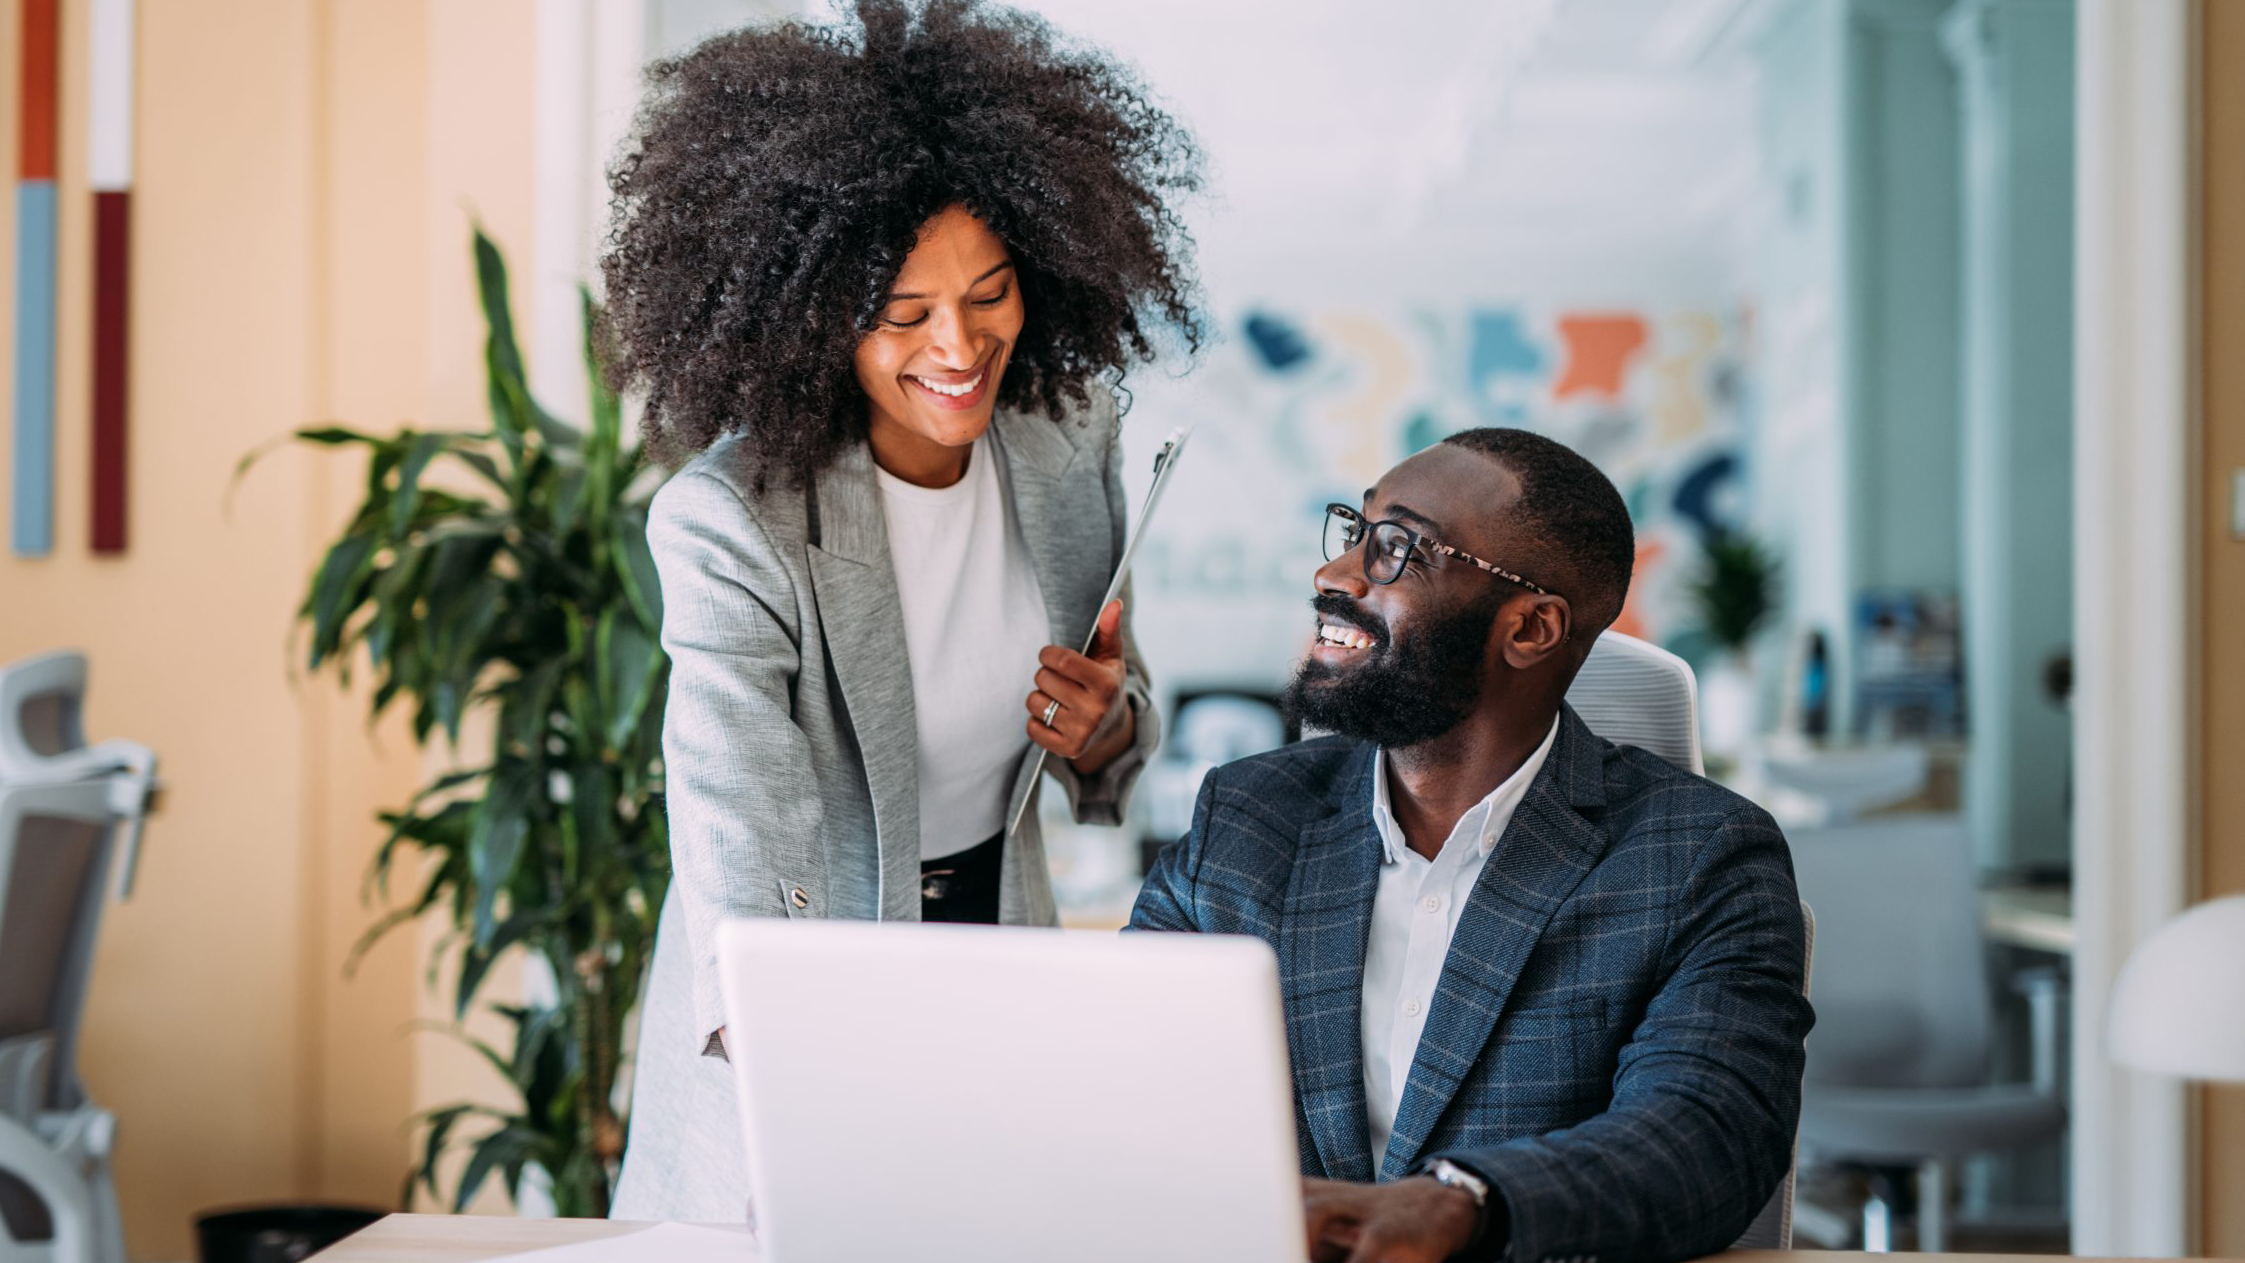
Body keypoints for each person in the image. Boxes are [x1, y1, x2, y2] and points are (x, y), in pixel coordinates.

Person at [603, 0, 1202, 1220]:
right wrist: (780, 1033)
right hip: (799, 976)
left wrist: (1104, 724)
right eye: (903, 313)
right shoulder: (731, 519)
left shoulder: (1067, 438)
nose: (960, 346)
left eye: (989, 294)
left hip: (999, 946)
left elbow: (1118, 721)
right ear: (816, 309)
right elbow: (733, 801)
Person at [1131, 429, 1813, 1263]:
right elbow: (1119, 1074)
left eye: (1395, 550)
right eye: (1354, 531)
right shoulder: (1245, 818)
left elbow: (1707, 1136)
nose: (1335, 575)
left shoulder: (1699, 856)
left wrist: (1462, 1206)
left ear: (1529, 629)